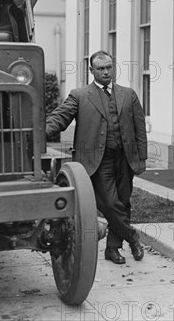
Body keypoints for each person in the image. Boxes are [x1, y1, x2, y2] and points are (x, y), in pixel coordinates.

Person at [46, 51, 147, 264]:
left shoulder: (128, 94)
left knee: (123, 202)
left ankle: (112, 249)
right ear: (91, 71)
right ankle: (133, 237)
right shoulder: (80, 95)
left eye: (109, 67)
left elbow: (139, 127)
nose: (106, 72)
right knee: (111, 204)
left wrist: (142, 158)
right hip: (98, 160)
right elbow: (60, 117)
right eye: (100, 68)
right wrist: (40, 131)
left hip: (126, 158)